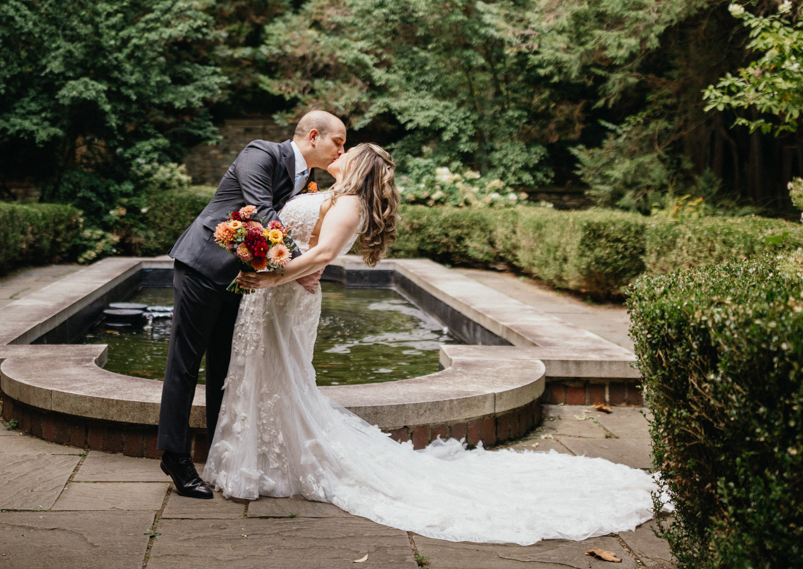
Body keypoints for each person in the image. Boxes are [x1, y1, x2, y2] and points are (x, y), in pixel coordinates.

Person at [203, 143, 660, 544]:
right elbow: (308, 246)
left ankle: (278, 462)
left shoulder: (350, 205)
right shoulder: (331, 197)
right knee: (266, 372)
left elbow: (322, 254)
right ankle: (262, 456)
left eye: (349, 149)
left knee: (283, 374)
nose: (339, 153)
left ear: (361, 165)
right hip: (277, 293)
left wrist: (268, 277)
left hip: (281, 296)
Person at [157, 110, 347, 498]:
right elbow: (261, 213)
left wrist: (303, 266)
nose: (340, 150)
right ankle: (174, 457)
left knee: (226, 368)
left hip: (245, 280)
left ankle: (217, 452)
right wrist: (300, 267)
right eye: (338, 142)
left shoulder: (307, 180)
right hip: (203, 267)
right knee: (185, 364)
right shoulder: (260, 153)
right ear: (313, 136)